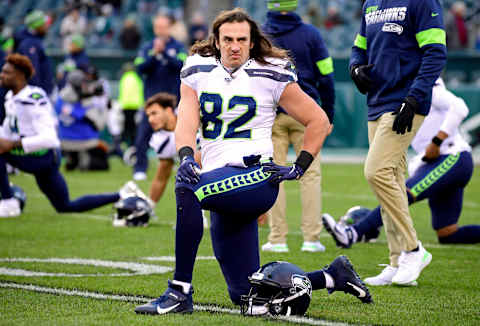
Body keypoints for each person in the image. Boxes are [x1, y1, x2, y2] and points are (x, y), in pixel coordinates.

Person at [134, 8, 371, 316]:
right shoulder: (197, 68)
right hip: (220, 181)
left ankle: (179, 291)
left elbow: (319, 120)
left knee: (188, 188)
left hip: (255, 175)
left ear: (252, 41)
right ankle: (332, 276)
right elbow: (187, 119)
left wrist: (299, 166)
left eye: (242, 39)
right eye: (228, 39)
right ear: (217, 41)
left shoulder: (271, 70)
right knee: (246, 294)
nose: (235, 46)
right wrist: (186, 156)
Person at [323, 78, 480, 264]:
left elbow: (460, 107)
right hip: (437, 161)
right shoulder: (401, 84)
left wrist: (437, 141)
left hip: (451, 156)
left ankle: (352, 233)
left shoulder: (426, 84)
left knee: (401, 193)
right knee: (447, 233)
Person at [349, 0, 447, 286]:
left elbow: (435, 53)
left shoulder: (423, 1)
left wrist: (415, 97)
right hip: (376, 102)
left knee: (375, 171)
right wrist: (355, 67)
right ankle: (396, 261)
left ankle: (414, 250)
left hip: (405, 102)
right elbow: (359, 46)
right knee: (390, 177)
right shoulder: (371, 3)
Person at [0, 54, 143, 217]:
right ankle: (122, 194)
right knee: (65, 206)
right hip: (35, 153)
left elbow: (50, 139)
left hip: (43, 158)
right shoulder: (11, 97)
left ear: (20, 75)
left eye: (6, 72)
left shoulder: (33, 99)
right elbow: (7, 131)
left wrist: (11, 144)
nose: (2, 75)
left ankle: (9, 201)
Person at [261, 0, 335, 253]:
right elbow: (326, 75)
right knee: (310, 175)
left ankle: (277, 238)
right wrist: (329, 114)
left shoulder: (260, 34)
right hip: (307, 112)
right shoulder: (311, 34)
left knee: (273, 176)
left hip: (271, 113)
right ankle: (311, 239)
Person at [132, 12, 187, 181]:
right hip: (152, 101)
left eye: (163, 27)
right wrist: (155, 54)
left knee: (181, 134)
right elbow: (139, 68)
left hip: (173, 101)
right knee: (143, 135)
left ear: (169, 28)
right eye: (158, 27)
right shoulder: (147, 47)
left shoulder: (178, 46)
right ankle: (140, 168)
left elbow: (182, 65)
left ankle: (183, 164)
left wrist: (164, 54)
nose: (160, 30)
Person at [13, 10, 54, 95]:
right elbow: (32, 73)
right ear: (37, 26)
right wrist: (37, 94)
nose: (47, 26)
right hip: (35, 95)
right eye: (44, 24)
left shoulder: (35, 41)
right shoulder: (29, 44)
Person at [118, 63, 143, 147]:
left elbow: (122, 92)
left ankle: (124, 144)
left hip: (125, 106)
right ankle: (133, 144)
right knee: (134, 127)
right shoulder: (137, 78)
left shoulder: (124, 78)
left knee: (126, 127)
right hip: (135, 106)